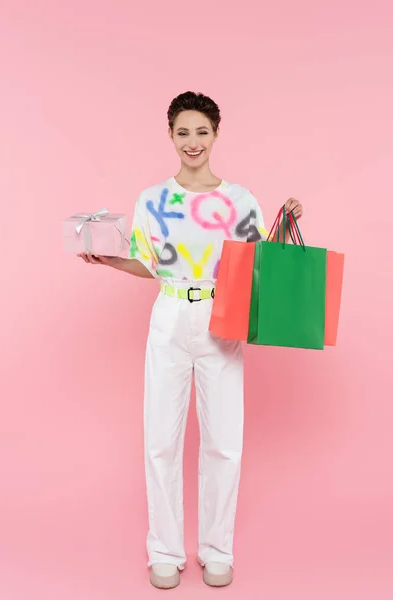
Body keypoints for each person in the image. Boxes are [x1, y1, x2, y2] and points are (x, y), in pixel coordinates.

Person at [78, 91, 303, 589]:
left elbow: (258, 263)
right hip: (170, 315)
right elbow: (148, 263)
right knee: (161, 437)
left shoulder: (238, 199)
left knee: (224, 441)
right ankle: (164, 550)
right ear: (170, 136)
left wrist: (287, 223)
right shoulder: (152, 199)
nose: (193, 141)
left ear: (216, 134)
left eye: (202, 131)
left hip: (222, 318)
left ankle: (217, 549)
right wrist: (110, 260)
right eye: (183, 132)